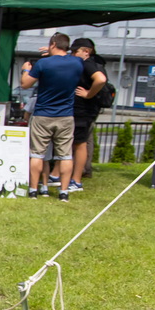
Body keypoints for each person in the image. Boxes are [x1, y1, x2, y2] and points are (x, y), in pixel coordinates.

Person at [21, 32, 82, 202]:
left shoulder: (42, 64)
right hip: (66, 116)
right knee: (65, 155)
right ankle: (64, 192)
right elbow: (69, 58)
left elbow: (25, 84)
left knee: (37, 154)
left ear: (53, 44)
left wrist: (26, 70)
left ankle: (33, 190)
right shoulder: (76, 63)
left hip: (42, 115)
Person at [62, 37, 107, 193]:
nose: (73, 54)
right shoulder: (83, 63)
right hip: (80, 110)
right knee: (74, 143)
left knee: (80, 144)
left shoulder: (88, 64)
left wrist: (88, 94)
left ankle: (76, 180)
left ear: (86, 52)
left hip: (83, 111)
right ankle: (63, 176)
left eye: (75, 51)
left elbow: (101, 79)